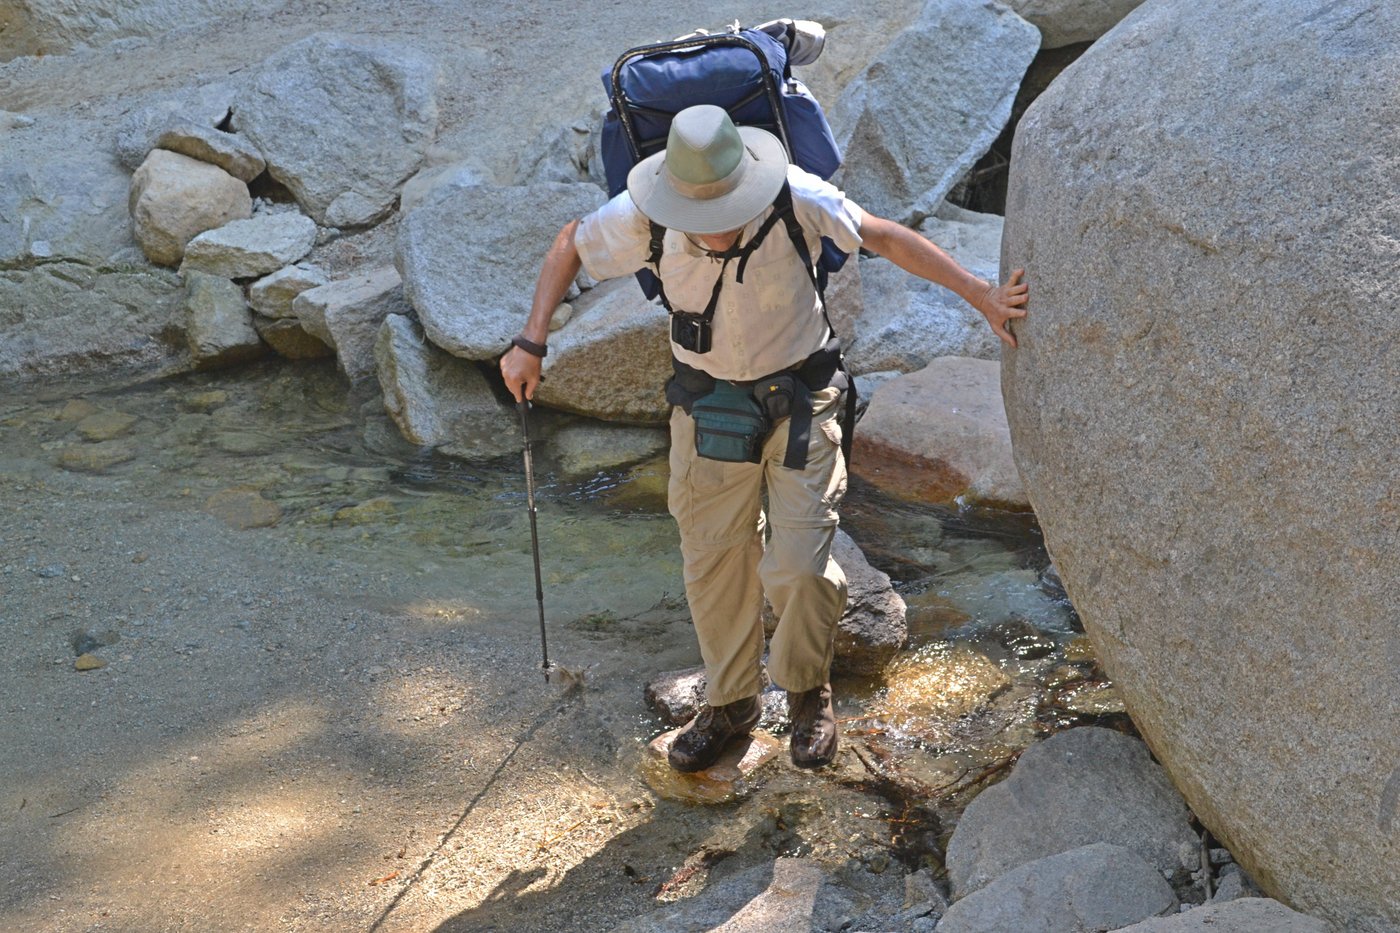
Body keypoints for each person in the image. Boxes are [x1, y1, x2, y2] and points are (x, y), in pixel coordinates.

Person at [501, 105, 1027, 772]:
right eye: (701, 217)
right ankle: (731, 704)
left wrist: (979, 293)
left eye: (725, 211)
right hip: (707, 407)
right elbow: (570, 243)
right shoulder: (646, 217)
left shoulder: (795, 198)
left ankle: (808, 693)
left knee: (800, 568)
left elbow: (884, 237)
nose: (714, 228)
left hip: (803, 401)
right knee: (714, 565)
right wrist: (531, 340)